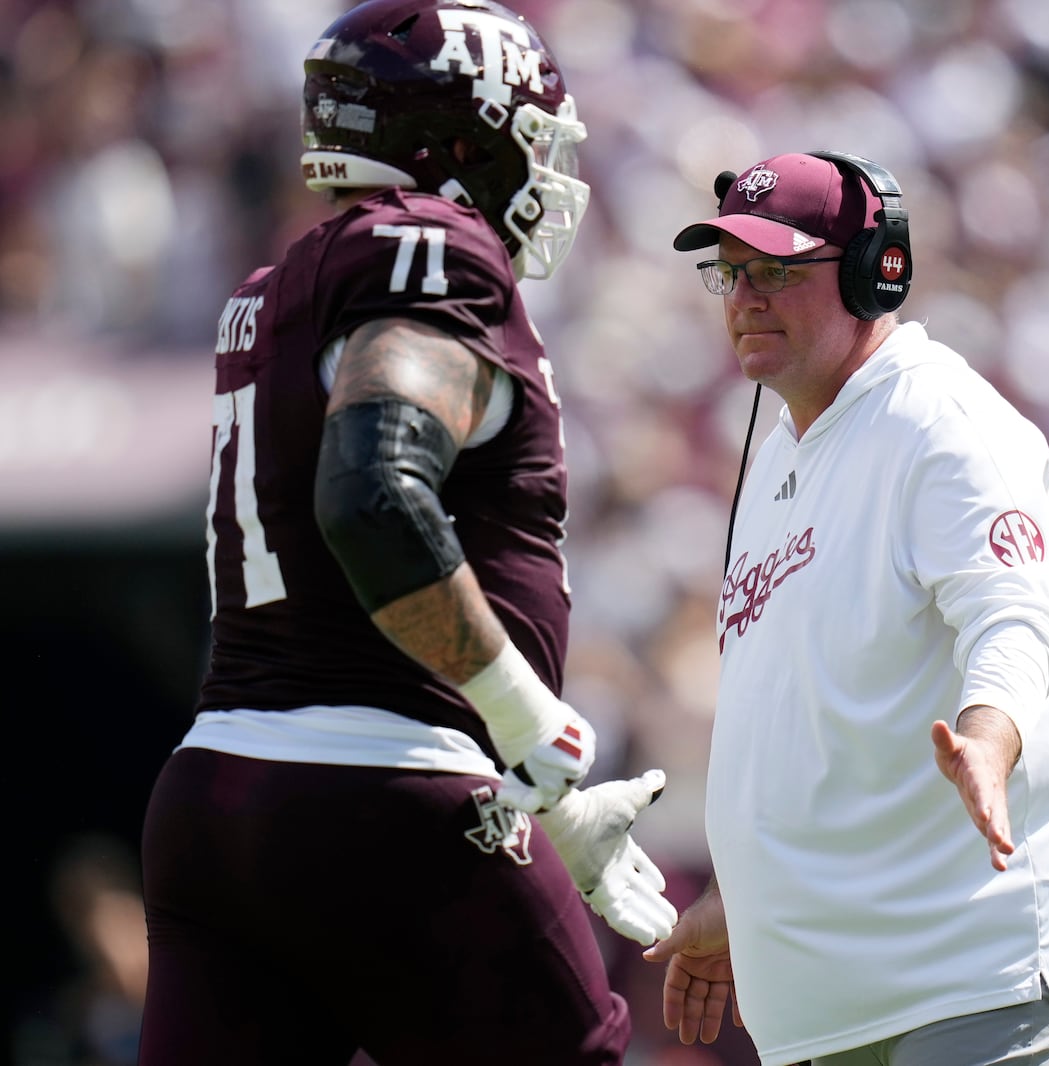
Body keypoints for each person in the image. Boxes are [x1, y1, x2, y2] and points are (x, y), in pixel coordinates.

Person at [138, 2, 674, 1063]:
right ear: (455, 141)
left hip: (213, 796)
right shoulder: (428, 248)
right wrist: (527, 730)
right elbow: (375, 494)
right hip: (388, 789)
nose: (539, 171)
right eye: (523, 137)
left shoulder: (274, 285)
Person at [643, 150, 1049, 1066]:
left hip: (968, 963)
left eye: (779, 271)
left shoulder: (944, 423)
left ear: (877, 274)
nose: (745, 297)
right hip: (843, 990)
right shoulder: (788, 442)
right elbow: (807, 707)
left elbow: (1014, 618)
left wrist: (989, 739)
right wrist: (750, 897)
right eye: (732, 272)